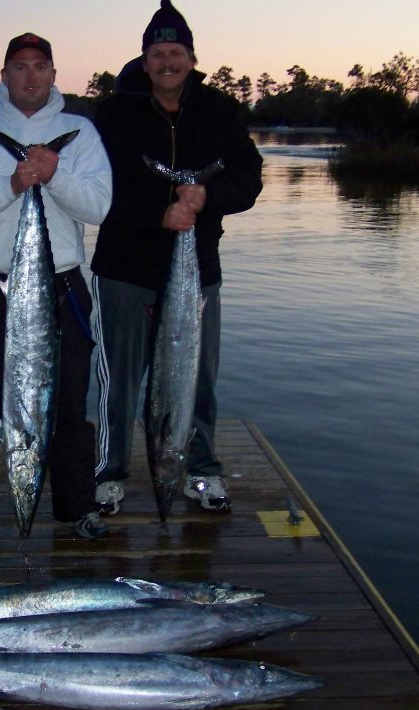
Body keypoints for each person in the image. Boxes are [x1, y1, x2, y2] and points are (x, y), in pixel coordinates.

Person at [0, 32, 113, 544]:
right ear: (4, 74)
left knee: (70, 401)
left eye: (40, 66)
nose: (30, 76)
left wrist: (53, 174)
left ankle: (76, 507)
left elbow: (99, 209)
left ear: (54, 75)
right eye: (20, 66)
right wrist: (15, 182)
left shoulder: (79, 130)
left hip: (64, 289)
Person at [90, 0, 263, 516]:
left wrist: (205, 197)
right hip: (125, 269)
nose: (167, 61)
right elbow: (100, 191)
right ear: (144, 61)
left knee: (197, 377)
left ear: (191, 58)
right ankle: (110, 473)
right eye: (158, 53)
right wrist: (160, 211)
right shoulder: (115, 113)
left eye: (176, 52)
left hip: (197, 269)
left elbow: (249, 177)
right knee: (118, 381)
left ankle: (201, 472)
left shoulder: (219, 110)